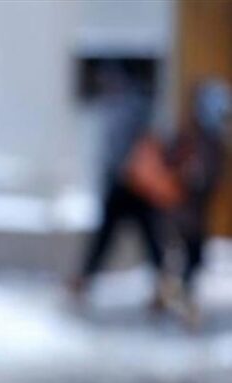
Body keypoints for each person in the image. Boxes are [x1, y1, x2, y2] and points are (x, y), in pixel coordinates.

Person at [70, 67, 166, 306]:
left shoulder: (130, 107)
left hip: (132, 184)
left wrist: (123, 169)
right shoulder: (122, 107)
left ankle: (162, 285)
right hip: (125, 183)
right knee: (119, 236)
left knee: (143, 236)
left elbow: (131, 147)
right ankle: (86, 279)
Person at [166, 79, 231, 327]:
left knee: (191, 259)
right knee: (186, 259)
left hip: (193, 214)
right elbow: (176, 165)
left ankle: (178, 299)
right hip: (183, 214)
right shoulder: (194, 137)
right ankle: (183, 305)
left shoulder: (211, 139)